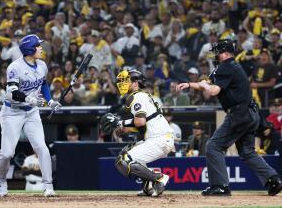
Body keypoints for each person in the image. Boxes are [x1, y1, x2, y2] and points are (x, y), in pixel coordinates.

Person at [176, 39, 282, 196]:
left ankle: (220, 185)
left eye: (217, 53)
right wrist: (191, 84)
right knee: (247, 151)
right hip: (251, 114)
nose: (215, 56)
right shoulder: (231, 66)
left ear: (224, 54)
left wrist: (205, 86)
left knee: (213, 146)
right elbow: (207, 82)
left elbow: (212, 90)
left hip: (239, 114)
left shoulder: (226, 66)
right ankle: (273, 179)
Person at [0, 34, 61, 197]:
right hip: (12, 112)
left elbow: (43, 83)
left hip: (31, 112)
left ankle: (48, 186)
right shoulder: (15, 67)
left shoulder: (42, 65)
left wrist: (50, 101)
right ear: (30, 49)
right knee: (7, 153)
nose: (40, 48)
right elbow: (10, 94)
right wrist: (28, 98)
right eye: (38, 46)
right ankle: (0, 181)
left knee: (42, 148)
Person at [100, 69, 174, 197]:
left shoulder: (136, 96)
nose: (123, 83)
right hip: (158, 138)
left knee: (125, 160)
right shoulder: (142, 95)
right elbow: (143, 123)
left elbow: (140, 121)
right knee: (122, 157)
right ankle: (148, 186)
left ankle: (159, 178)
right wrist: (126, 128)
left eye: (127, 81)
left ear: (135, 83)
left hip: (159, 139)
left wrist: (120, 123)